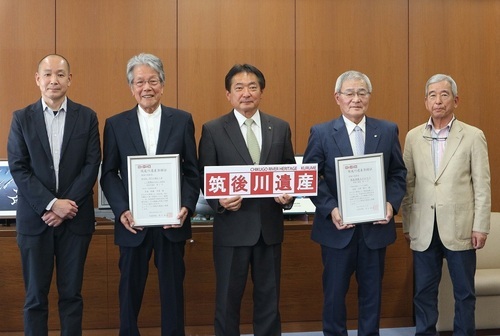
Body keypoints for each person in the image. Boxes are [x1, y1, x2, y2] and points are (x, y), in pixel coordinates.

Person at [100, 53, 199, 336]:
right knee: (129, 293)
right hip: (134, 223)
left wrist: (186, 207)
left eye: (152, 81)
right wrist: (122, 210)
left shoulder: (181, 120)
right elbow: (108, 173)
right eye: (139, 81)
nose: (147, 87)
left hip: (172, 222)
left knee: (173, 293)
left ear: (163, 85)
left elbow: (192, 171)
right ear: (131, 88)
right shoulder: (116, 124)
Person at [302, 70, 407, 336]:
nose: (356, 99)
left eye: (362, 93)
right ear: (338, 98)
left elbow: (398, 173)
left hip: (375, 228)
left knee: (372, 295)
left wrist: (390, 204)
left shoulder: (386, 130)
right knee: (335, 296)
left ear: (369, 97)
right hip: (337, 230)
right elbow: (311, 177)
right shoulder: (322, 132)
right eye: (349, 93)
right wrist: (331, 209)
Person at [7, 54, 101, 336]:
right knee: (35, 298)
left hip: (75, 221)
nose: (53, 80)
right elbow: (19, 167)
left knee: (72, 295)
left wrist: (66, 206)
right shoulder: (21, 118)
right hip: (36, 222)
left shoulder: (86, 117)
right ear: (38, 79)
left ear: (69, 79)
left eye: (60, 74)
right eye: (47, 74)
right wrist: (50, 204)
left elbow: (91, 164)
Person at [198, 63, 295, 336]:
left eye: (253, 87)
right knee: (228, 301)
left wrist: (288, 197)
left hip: (269, 229)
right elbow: (204, 176)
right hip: (231, 228)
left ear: (262, 92)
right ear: (228, 94)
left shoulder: (279, 127)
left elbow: (288, 170)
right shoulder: (213, 129)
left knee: (269, 301)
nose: (246, 93)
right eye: (238, 88)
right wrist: (219, 202)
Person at [401, 74, 491, 336]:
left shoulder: (473, 136)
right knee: (423, 293)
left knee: (464, 293)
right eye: (432, 95)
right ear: (426, 101)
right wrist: (408, 223)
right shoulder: (414, 137)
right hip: (424, 228)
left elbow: (482, 185)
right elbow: (409, 184)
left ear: (455, 100)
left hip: (461, 227)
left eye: (444, 94)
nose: (438, 101)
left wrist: (480, 226)